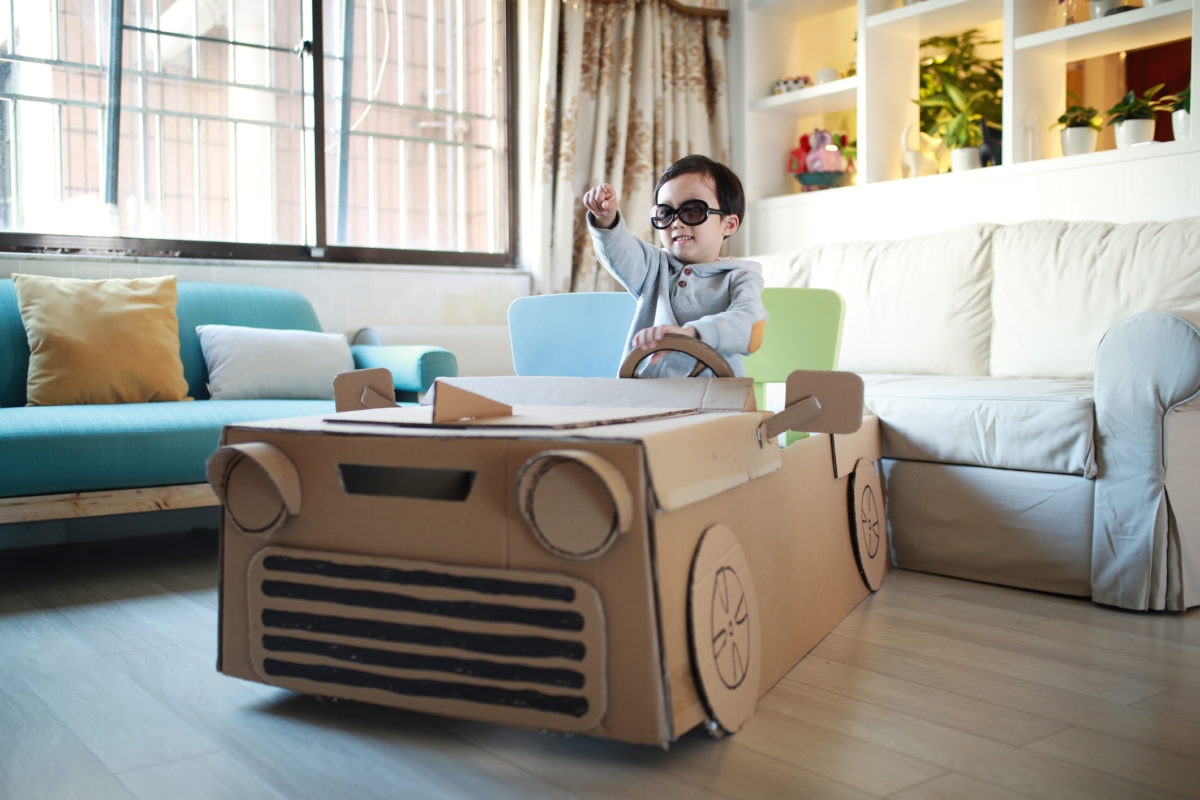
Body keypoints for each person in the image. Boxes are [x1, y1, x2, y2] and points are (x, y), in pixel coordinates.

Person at [582, 154, 766, 378]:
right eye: (666, 213)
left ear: (728, 224)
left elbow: (750, 325)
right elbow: (621, 253)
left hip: (714, 401)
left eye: (693, 211)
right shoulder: (653, 267)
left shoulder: (740, 277)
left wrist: (691, 333)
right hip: (647, 401)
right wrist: (606, 220)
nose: (676, 222)